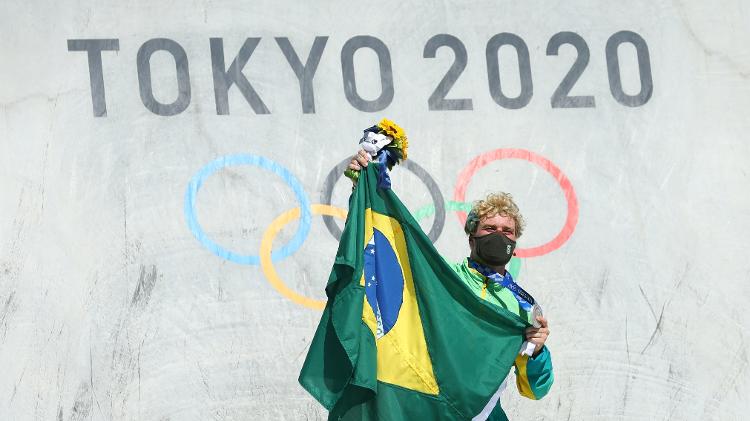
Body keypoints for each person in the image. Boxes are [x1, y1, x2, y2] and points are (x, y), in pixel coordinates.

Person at [348, 149, 553, 420]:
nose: (499, 236)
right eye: (490, 229)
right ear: (471, 238)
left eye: (508, 232)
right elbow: (385, 260)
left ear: (514, 245)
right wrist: (360, 188)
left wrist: (537, 351)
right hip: (427, 408)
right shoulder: (443, 278)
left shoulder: (523, 307)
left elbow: (534, 391)